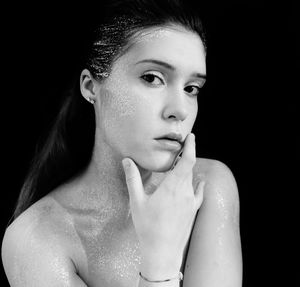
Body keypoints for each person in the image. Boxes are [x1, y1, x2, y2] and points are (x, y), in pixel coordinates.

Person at [1, 0, 242, 286]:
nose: (180, 109)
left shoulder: (207, 187)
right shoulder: (36, 239)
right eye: (152, 78)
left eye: (191, 88)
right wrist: (158, 264)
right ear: (91, 87)